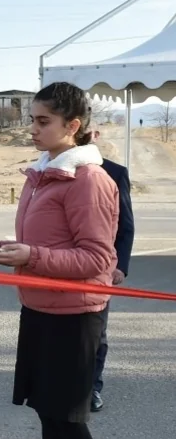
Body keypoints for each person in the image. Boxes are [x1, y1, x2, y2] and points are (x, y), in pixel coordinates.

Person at [0, 82, 118, 439]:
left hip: (74, 318)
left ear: (73, 126)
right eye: (32, 118)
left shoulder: (88, 179)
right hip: (40, 309)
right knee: (50, 418)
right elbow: (42, 243)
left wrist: (32, 256)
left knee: (70, 422)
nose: (32, 128)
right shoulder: (43, 172)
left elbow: (97, 259)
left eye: (42, 121)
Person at [89, 125, 135, 412]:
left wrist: (122, 266)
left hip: (101, 269)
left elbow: (126, 226)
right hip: (62, 267)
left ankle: (93, 386)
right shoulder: (53, 169)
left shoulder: (114, 173)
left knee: (97, 332)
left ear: (96, 135)